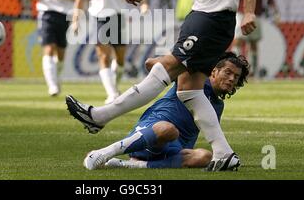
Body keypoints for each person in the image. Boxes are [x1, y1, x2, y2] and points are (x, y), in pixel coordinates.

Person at [66, 0, 257, 171]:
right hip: (201, 16)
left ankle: (100, 116)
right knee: (188, 90)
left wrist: (248, 11)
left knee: (166, 67)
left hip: (213, 19)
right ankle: (224, 153)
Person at [83, 52, 249, 170]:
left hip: (174, 149)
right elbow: (149, 63)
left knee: (205, 157)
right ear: (214, 71)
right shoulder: (192, 78)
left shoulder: (218, 105)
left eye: (236, 77)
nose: (231, 79)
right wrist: (165, 63)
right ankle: (104, 153)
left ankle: (132, 165)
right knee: (168, 129)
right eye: (228, 72)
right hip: (153, 133)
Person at [72, 0, 148, 104]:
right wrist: (76, 19)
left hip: (118, 16)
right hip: (99, 16)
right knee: (103, 56)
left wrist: (144, 5)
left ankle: (115, 85)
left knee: (119, 61)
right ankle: (112, 93)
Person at [26, 0, 79, 96]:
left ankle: (56, 77)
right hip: (46, 13)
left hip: (64, 14)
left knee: (61, 52)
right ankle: (52, 85)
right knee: (48, 48)